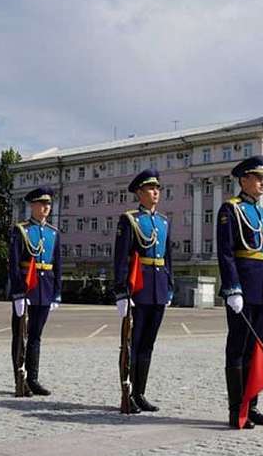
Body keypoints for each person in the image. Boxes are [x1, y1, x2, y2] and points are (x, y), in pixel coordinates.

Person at [217, 155, 263, 429]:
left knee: (255, 351)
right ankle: (236, 411)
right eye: (258, 177)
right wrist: (232, 289)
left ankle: (252, 407)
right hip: (243, 289)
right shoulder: (230, 209)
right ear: (244, 180)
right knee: (238, 349)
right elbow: (226, 253)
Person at [113, 168, 173, 413]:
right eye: (150, 188)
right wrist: (121, 292)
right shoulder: (129, 220)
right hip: (137, 289)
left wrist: (169, 287)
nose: (156, 192)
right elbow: (122, 258)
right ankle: (128, 393)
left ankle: (140, 393)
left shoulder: (163, 222)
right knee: (132, 344)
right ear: (139, 192)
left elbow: (168, 258)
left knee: (148, 344)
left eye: (158, 188)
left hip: (158, 288)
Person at [9, 186, 62, 396]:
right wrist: (18, 293)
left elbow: (57, 264)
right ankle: (19, 379)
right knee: (20, 335)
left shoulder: (53, 232)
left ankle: (33, 378)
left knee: (36, 337)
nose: (45, 207)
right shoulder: (21, 230)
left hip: (45, 288)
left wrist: (57, 292)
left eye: (48, 204)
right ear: (32, 206)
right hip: (26, 288)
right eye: (41, 204)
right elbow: (14, 263)